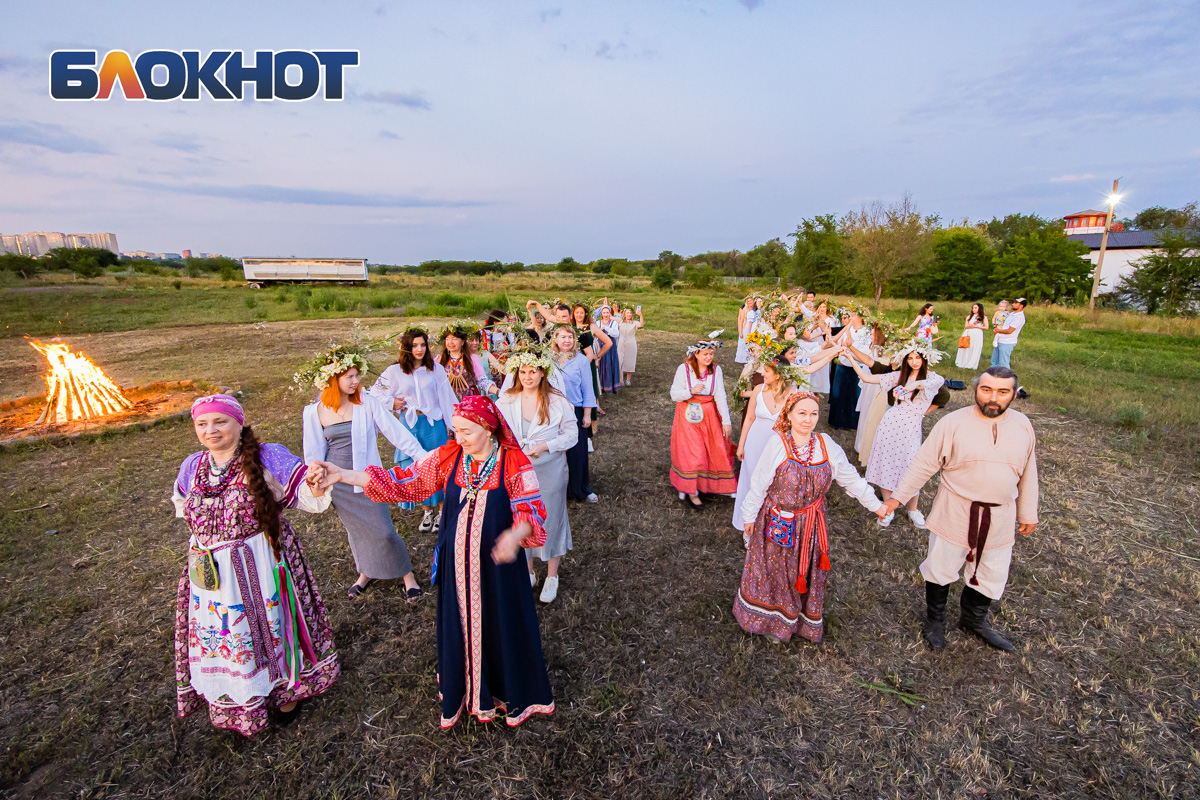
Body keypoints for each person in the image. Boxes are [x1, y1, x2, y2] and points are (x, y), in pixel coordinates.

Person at [313, 395, 555, 728]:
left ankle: (504, 693)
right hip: (457, 572)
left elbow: (533, 514)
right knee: (461, 625)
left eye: (467, 432)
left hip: (498, 574)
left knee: (501, 626)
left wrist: (514, 537)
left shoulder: (514, 462)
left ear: (488, 429)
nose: (459, 438)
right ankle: (465, 690)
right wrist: (342, 474)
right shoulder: (449, 457)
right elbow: (401, 482)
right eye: (455, 431)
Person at [174, 394, 339, 736]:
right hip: (211, 573)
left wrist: (315, 479)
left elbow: (308, 496)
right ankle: (239, 696)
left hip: (260, 565)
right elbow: (181, 504)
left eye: (220, 421)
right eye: (202, 424)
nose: (210, 430)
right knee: (228, 633)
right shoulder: (192, 466)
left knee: (268, 628)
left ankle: (284, 693)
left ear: (239, 423)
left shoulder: (267, 457)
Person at [881, 367, 1038, 652]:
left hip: (1000, 514)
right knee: (941, 566)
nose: (993, 398)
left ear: (1014, 394)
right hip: (955, 509)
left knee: (991, 569)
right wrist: (896, 499)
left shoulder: (1023, 425)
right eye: (986, 390)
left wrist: (1027, 512)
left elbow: (1029, 471)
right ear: (976, 390)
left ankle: (973, 620)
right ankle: (935, 621)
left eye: (1002, 392)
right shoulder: (952, 423)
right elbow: (923, 464)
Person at [735, 391, 886, 643]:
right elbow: (759, 484)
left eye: (813, 414)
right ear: (789, 415)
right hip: (778, 521)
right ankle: (773, 622)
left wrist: (876, 506)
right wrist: (749, 516)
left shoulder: (826, 445)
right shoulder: (777, 444)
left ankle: (799, 620)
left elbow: (851, 478)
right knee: (776, 571)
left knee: (802, 572)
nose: (808, 419)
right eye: (802, 413)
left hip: (811, 526)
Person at [302, 357, 429, 600]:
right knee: (356, 531)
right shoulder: (313, 412)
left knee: (384, 530)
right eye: (349, 376)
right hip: (338, 483)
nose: (356, 381)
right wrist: (315, 480)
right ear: (333, 379)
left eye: (356, 375)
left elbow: (395, 432)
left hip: (367, 478)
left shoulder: (366, 402)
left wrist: (424, 458)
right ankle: (366, 572)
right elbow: (314, 455)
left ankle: (407, 575)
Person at [496, 350, 578, 603]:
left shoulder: (557, 401)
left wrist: (546, 446)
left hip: (550, 468)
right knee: (521, 516)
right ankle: (528, 571)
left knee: (550, 517)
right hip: (517, 471)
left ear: (543, 373)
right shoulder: (506, 400)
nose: (528, 377)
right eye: (523, 372)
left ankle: (552, 575)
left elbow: (572, 434)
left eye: (533, 371)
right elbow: (495, 431)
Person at [368, 326, 459, 534]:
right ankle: (427, 511)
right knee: (417, 467)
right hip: (409, 425)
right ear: (406, 348)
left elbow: (447, 399)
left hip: (433, 424)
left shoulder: (436, 369)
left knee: (438, 466)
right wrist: (392, 402)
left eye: (423, 345)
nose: (419, 349)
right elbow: (373, 394)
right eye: (414, 345)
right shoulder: (394, 371)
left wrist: (458, 426)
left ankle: (442, 510)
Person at [848, 341, 946, 528]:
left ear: (924, 359)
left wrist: (910, 386)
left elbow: (925, 384)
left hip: (911, 427)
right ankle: (887, 507)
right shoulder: (898, 376)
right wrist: (850, 358)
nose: (914, 361)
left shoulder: (934, 378)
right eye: (910, 358)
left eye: (917, 357)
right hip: (890, 423)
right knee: (887, 462)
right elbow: (867, 378)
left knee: (911, 466)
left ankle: (913, 509)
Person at [732, 355, 799, 540]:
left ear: (778, 374)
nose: (762, 373)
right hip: (755, 443)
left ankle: (770, 526)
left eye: (766, 371)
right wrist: (741, 444)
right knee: (752, 482)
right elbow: (749, 418)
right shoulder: (758, 389)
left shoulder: (793, 393)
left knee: (774, 485)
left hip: (779, 447)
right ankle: (748, 528)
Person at [669, 337, 735, 508]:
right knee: (694, 453)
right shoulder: (684, 369)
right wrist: (690, 391)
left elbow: (720, 395)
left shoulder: (716, 370)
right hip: (687, 416)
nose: (709, 357)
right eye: (705, 354)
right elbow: (674, 394)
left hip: (709, 416)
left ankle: (706, 485)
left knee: (711, 451)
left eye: (711, 354)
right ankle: (692, 492)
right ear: (696, 354)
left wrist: (726, 421)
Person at [551, 324, 599, 503]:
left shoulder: (581, 360)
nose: (567, 340)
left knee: (577, 452)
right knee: (556, 452)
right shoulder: (549, 360)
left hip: (575, 410)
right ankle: (559, 490)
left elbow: (588, 389)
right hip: (553, 411)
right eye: (563, 337)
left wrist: (587, 415)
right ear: (556, 339)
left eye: (570, 337)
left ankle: (581, 488)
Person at [828, 306, 873, 430]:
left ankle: (852, 422)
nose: (851, 318)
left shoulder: (867, 332)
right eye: (850, 315)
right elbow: (839, 343)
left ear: (861, 317)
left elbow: (866, 351)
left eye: (854, 315)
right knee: (838, 392)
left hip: (857, 365)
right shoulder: (848, 329)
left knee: (854, 394)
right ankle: (835, 421)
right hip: (843, 364)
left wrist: (851, 350)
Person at [440, 321, 496, 400]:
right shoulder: (440, 359)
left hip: (468, 401)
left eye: (454, 339)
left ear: (463, 342)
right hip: (447, 401)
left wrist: (497, 391)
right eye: (447, 339)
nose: (450, 342)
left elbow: (482, 381)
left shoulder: (472, 358)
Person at [990, 297, 1026, 369]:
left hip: (1007, 342)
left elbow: (1010, 331)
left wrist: (998, 331)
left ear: (1021, 305)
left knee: (1003, 363)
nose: (1013, 304)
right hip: (1000, 339)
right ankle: (994, 374)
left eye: (1016, 303)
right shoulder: (1011, 314)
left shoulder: (1019, 317)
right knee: (994, 361)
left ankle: (1006, 375)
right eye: (1013, 302)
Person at [596, 305, 622, 393]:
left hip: (610, 347)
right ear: (601, 314)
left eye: (607, 312)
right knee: (601, 365)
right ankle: (601, 386)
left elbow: (616, 334)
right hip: (600, 346)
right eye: (604, 313)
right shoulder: (598, 323)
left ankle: (611, 386)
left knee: (610, 365)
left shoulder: (613, 323)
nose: (606, 314)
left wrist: (606, 328)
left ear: (610, 313)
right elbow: (595, 334)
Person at [955, 303, 989, 370]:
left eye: (975, 308)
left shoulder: (983, 317)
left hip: (977, 334)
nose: (973, 309)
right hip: (969, 333)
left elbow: (986, 327)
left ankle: (972, 363)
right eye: (973, 308)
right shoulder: (969, 317)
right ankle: (963, 362)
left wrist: (977, 326)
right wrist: (972, 325)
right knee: (966, 347)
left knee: (975, 347)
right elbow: (966, 326)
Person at [617, 306, 644, 387]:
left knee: (630, 360)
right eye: (627, 313)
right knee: (620, 360)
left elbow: (641, 325)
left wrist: (640, 315)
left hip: (631, 343)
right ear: (624, 314)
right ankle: (620, 379)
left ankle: (628, 379)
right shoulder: (620, 322)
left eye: (630, 313)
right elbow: (611, 317)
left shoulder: (634, 322)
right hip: (621, 343)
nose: (629, 314)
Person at [735, 296, 759, 376]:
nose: (749, 302)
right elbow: (741, 320)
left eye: (751, 301)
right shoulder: (744, 309)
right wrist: (740, 331)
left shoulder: (755, 310)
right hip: (746, 328)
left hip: (752, 329)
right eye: (748, 301)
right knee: (744, 343)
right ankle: (744, 359)